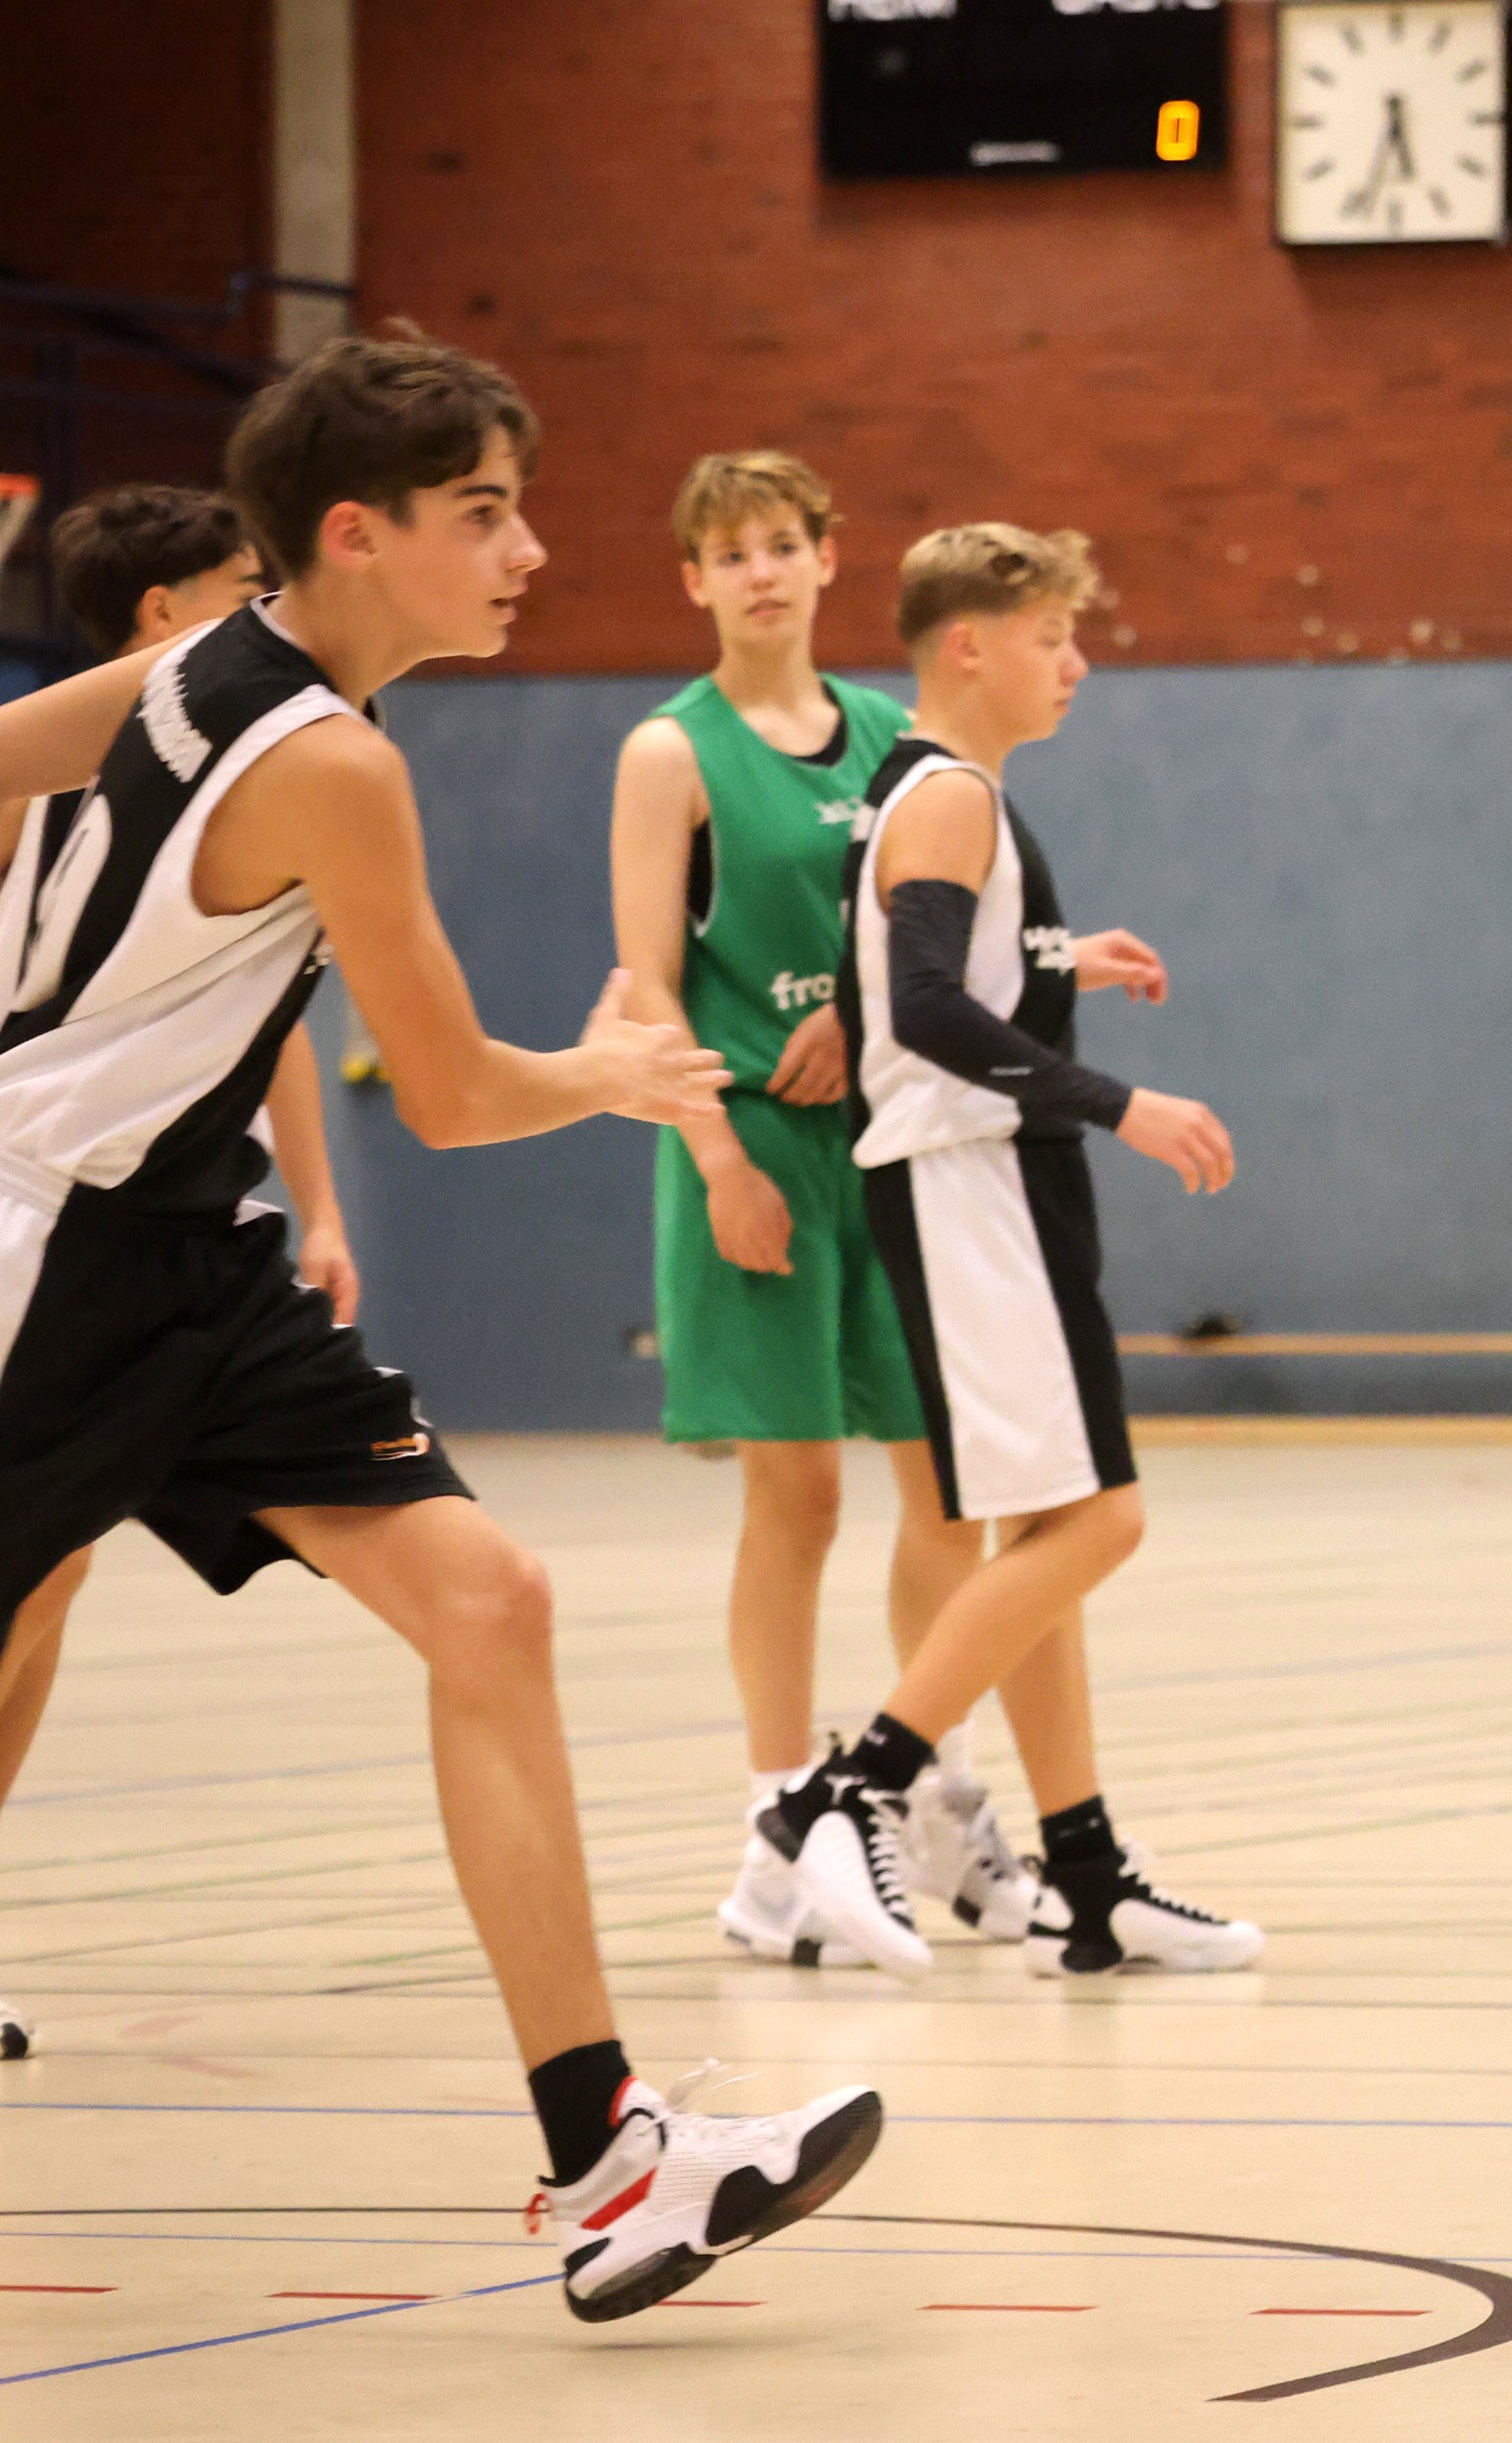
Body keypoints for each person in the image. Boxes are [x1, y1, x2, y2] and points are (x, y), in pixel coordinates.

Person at [0, 332, 876, 2318]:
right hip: (36, 1283)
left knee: (491, 1603)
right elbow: (458, 1093)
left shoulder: (220, 676)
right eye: (485, 512)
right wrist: (618, 1071)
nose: (528, 550)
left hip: (189, 1260)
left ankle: (612, 2160)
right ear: (357, 532)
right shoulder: (329, 760)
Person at [0, 485, 357, 2066]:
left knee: (47, 1590)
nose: (269, 610)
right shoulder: (28, 776)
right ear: (161, 614)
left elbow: (273, 1035)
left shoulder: (250, 774)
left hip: (135, 1233)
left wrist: (321, 1208)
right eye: (241, 586)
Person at [759, 520, 1261, 1984]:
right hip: (975, 1186)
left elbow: (926, 975)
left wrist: (1050, 960)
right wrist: (1122, 1101)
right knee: (1103, 1522)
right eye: (1053, 636)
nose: (1077, 663)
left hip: (981, 1184)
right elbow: (918, 1007)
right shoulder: (948, 797)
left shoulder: (940, 794)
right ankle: (846, 1790)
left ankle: (1088, 1880)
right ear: (968, 646)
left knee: (1052, 1529)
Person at [606, 452, 1026, 1970]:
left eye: (783, 543)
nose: (762, 571)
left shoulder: (893, 738)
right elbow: (645, 982)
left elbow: (913, 941)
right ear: (694, 580)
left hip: (890, 1140)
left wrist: (863, 1009)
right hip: (751, 1144)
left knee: (952, 1492)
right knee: (799, 1498)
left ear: (829, 557)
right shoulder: (670, 751)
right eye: (731, 552)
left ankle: (922, 1790)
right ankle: (779, 1821)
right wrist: (715, 1157)